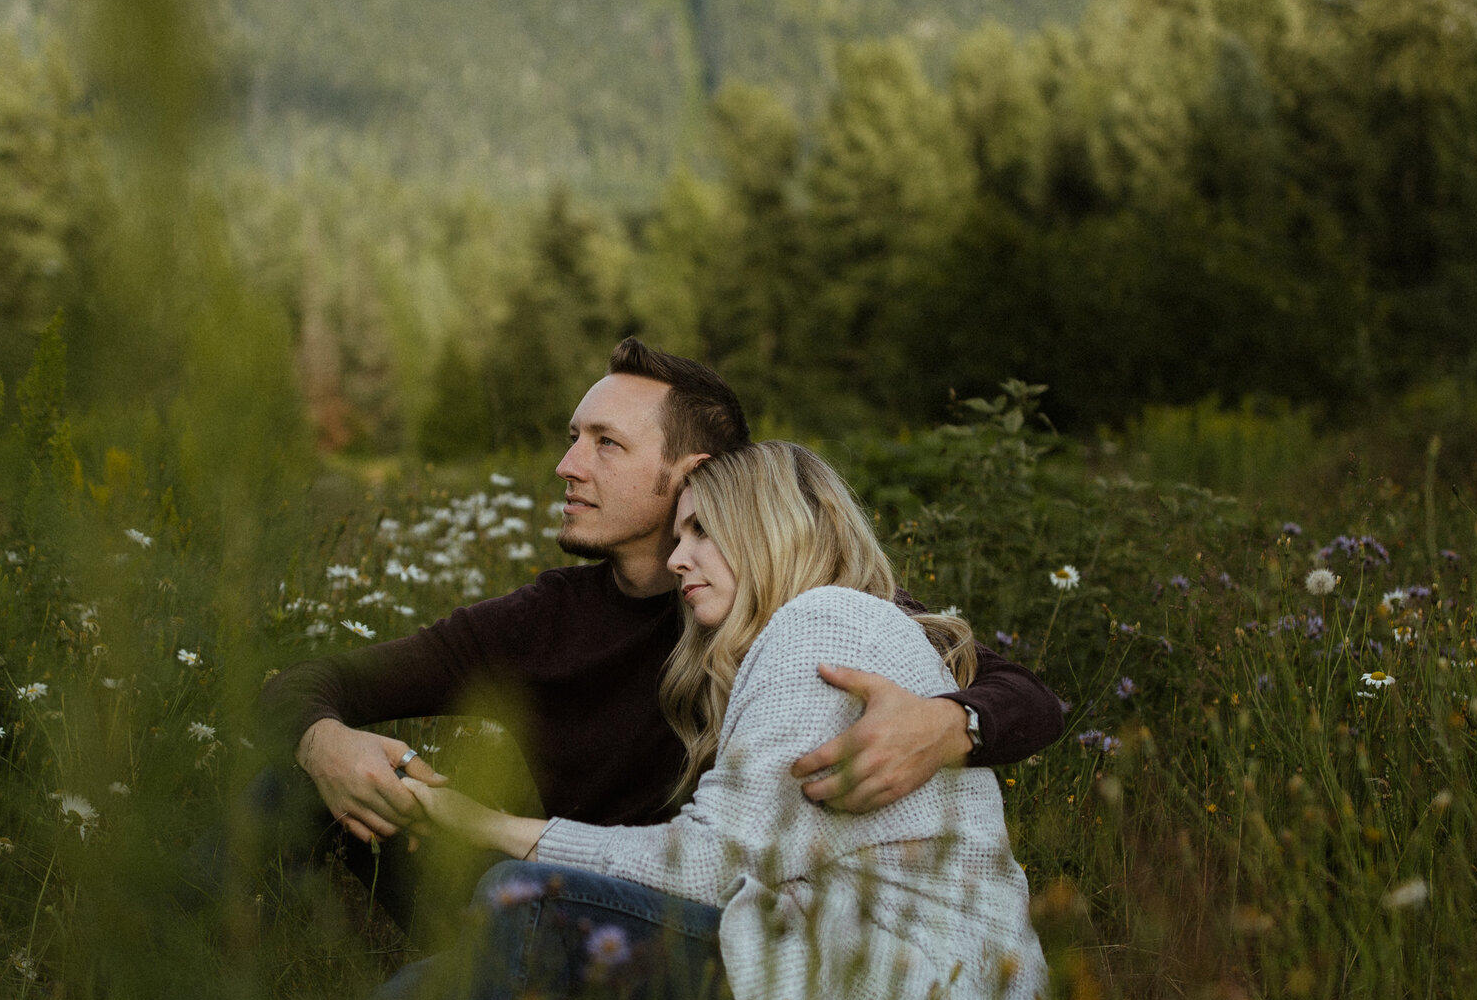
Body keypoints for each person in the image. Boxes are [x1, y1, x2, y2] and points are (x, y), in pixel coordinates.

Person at [261, 337, 1065, 935]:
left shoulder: (796, 605)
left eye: (605, 443)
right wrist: (324, 742)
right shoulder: (541, 620)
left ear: (692, 473)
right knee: (299, 783)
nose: (567, 465)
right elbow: (305, 681)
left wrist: (947, 722)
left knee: (516, 907)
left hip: (697, 928)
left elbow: (1027, 696)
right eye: (574, 436)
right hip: (544, 892)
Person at [408, 442, 1050, 1000]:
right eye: (677, 535)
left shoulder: (826, 622)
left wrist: (488, 826)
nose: (678, 558)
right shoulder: (823, 630)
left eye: (701, 531)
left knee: (528, 906)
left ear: (769, 526)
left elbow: (710, 866)